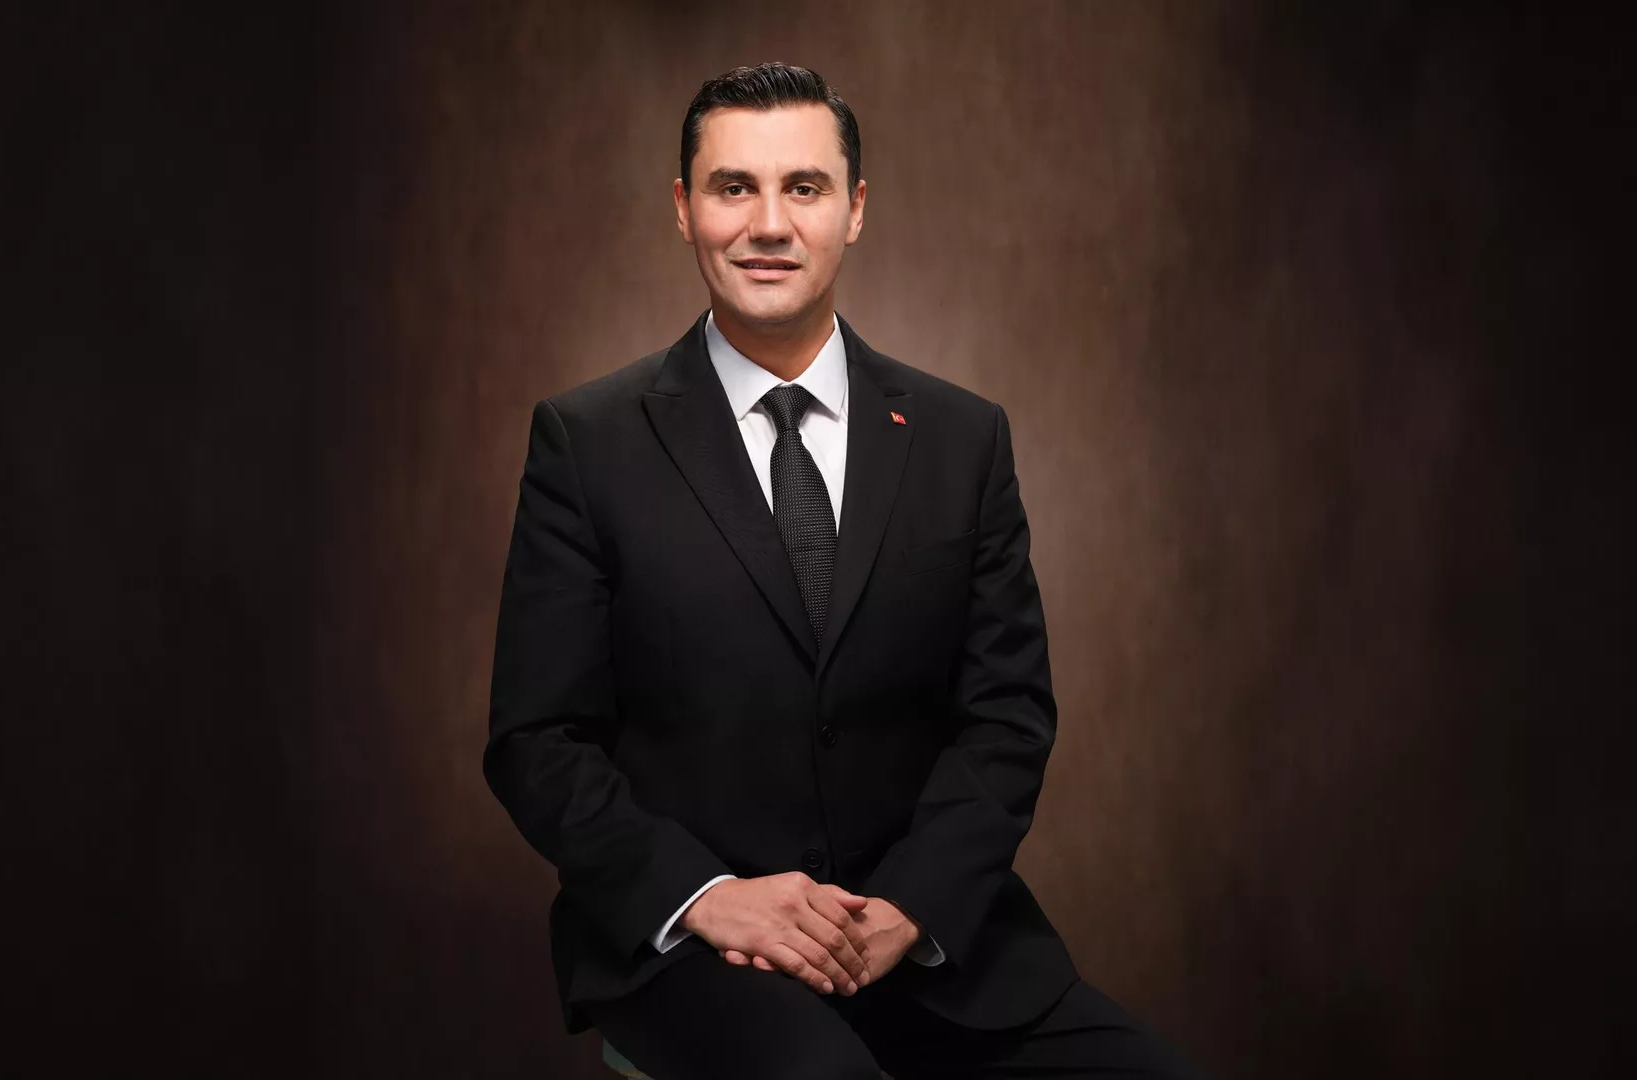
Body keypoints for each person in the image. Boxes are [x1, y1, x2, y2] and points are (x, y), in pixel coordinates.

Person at [483, 62, 1206, 1079]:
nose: (769, 224)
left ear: (855, 209)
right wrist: (709, 898)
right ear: (682, 209)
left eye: (805, 187)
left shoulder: (962, 439)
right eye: (734, 187)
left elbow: (1006, 717)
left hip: (929, 946)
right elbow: (538, 741)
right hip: (704, 955)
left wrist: (911, 907)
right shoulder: (587, 442)